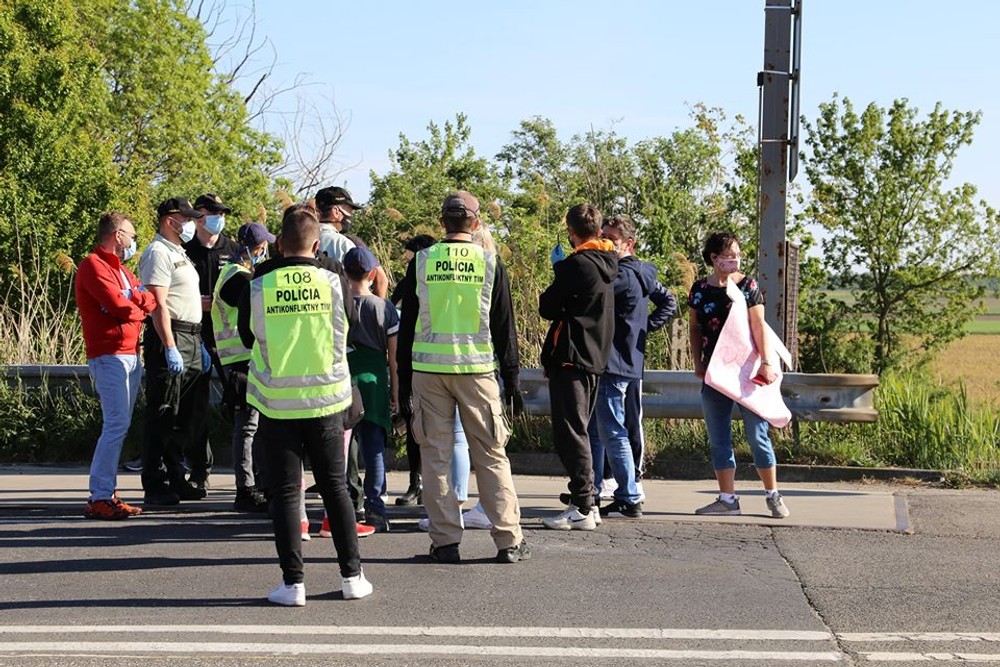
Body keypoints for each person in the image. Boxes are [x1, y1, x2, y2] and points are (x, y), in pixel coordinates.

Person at [237, 203, 373, 605]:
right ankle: (353, 577)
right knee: (335, 489)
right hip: (327, 401)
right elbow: (351, 325)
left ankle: (293, 585)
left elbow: (248, 338)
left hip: (278, 404)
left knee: (285, 493)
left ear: (278, 243)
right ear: (317, 244)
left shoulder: (258, 284)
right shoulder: (333, 282)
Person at [397, 190, 529, 564]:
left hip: (428, 372)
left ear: (442, 222)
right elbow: (505, 326)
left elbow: (407, 327)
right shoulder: (489, 262)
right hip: (478, 372)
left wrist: (404, 383)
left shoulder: (422, 261)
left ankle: (445, 542)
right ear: (475, 223)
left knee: (435, 457)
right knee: (491, 455)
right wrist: (513, 379)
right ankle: (508, 541)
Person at [688, 230, 790, 519]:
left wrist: (767, 362)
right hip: (716, 373)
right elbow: (695, 328)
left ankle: (773, 494)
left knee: (757, 434)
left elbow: (759, 325)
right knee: (719, 438)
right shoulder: (699, 289)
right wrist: (698, 363)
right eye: (728, 256)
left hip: (747, 373)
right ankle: (727, 498)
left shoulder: (748, 285)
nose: (734, 261)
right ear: (713, 258)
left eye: (737, 255)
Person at [539, 204, 617, 531]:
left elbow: (548, 306)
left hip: (572, 355)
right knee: (581, 429)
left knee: (571, 432)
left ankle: (583, 505)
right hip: (595, 355)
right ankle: (585, 500)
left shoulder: (577, 264)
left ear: (571, 232)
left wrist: (560, 270)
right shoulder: (609, 262)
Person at [76, 212, 157, 519]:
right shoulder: (92, 266)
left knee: (119, 425)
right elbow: (122, 308)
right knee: (116, 424)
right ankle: (99, 496)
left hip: (130, 354)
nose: (134, 241)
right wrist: (136, 306)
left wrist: (135, 302)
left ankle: (106, 492)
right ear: (118, 234)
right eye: (132, 234)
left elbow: (147, 299)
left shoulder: (122, 270)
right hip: (108, 354)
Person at [137, 198, 210, 506]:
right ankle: (155, 480)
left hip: (191, 336)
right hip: (173, 335)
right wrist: (169, 346)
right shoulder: (157, 253)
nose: (192, 223)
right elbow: (158, 306)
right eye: (187, 217)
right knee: (164, 411)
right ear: (170, 219)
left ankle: (177, 476)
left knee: (185, 415)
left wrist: (199, 343)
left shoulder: (179, 252)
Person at [586, 215, 647, 520]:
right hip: (616, 361)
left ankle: (629, 494)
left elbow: (594, 295)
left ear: (629, 244)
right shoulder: (630, 273)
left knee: (611, 430)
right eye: (603, 237)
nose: (607, 244)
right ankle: (594, 490)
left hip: (614, 363)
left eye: (613, 239)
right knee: (599, 431)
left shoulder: (622, 276)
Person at [211, 222, 275, 512]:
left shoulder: (232, 273)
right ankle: (246, 489)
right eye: (263, 247)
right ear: (256, 248)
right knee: (248, 426)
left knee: (251, 425)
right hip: (240, 358)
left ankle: (252, 484)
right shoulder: (238, 278)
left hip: (239, 357)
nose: (266, 251)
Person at [181, 193, 242, 491]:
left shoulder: (233, 249)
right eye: (214, 213)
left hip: (231, 340)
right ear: (199, 216)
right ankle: (199, 470)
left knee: (240, 404)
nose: (220, 218)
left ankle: (246, 473)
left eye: (223, 213)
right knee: (195, 405)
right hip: (196, 335)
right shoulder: (185, 250)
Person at [342, 246, 399, 532]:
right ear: (372, 273)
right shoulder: (384, 307)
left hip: (344, 378)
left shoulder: (338, 303)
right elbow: (394, 357)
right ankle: (376, 508)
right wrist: (395, 392)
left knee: (345, 445)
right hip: (375, 380)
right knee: (374, 446)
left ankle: (349, 504)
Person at [390, 234, 436, 507]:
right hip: (414, 364)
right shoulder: (407, 284)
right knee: (414, 427)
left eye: (409, 256)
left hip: (434, 365)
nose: (407, 262)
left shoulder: (432, 284)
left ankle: (432, 487)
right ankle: (415, 483)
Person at [316, 186, 388, 298]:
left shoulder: (301, 239)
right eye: (349, 210)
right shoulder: (344, 244)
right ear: (336, 211)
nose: (350, 215)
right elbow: (368, 282)